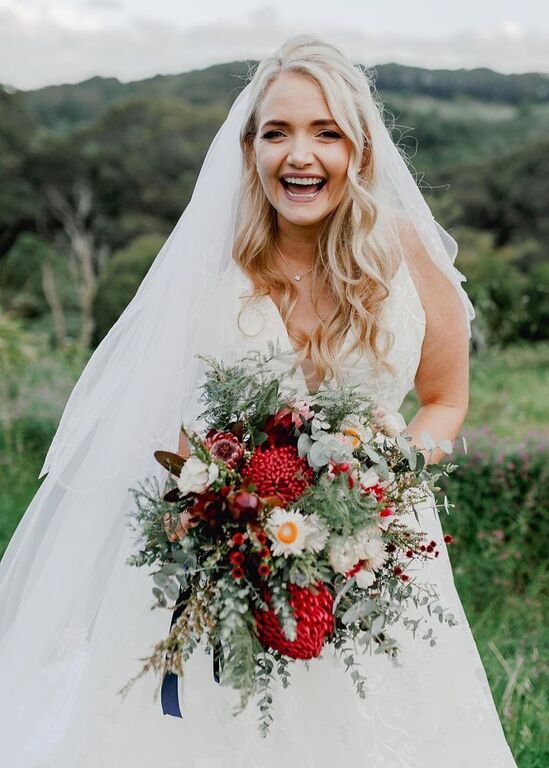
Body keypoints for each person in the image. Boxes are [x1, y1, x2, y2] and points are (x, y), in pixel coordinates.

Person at [0, 34, 518, 767]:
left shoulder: (411, 258)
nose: (298, 155)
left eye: (325, 133)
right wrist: (212, 503)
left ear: (361, 151)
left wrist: (380, 481)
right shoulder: (211, 265)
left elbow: (443, 399)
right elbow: (163, 414)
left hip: (375, 544)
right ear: (250, 149)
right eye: (277, 132)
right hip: (225, 547)